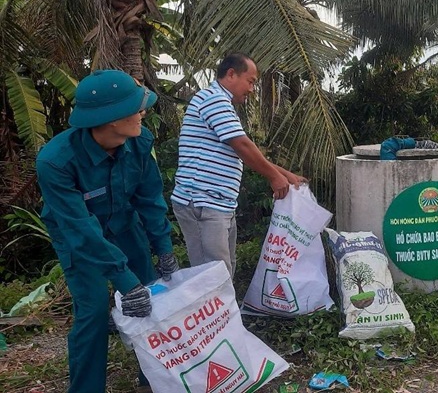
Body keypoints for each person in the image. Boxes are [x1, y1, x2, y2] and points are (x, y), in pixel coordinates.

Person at [36, 70, 179, 393]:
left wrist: (164, 247)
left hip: (123, 224)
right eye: (136, 109)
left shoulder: (139, 140)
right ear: (112, 119)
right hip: (77, 236)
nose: (143, 113)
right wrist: (125, 282)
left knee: (150, 299)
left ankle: (154, 380)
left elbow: (149, 198)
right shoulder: (56, 161)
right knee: (94, 310)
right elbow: (80, 227)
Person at [171, 53, 305, 276]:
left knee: (224, 270)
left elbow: (244, 149)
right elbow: (242, 145)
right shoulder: (214, 99)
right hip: (203, 200)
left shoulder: (220, 102)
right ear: (231, 74)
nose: (252, 89)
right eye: (250, 81)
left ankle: (224, 301)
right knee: (213, 277)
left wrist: (285, 175)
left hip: (218, 202)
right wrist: (275, 177)